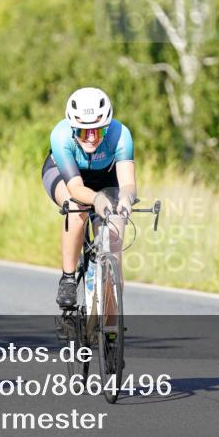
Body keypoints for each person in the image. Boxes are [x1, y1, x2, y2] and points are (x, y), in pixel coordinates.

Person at [42, 87, 136, 308]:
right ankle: (67, 278)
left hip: (104, 177)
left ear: (107, 127)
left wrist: (126, 200)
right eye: (84, 132)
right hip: (66, 176)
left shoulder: (121, 134)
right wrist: (96, 200)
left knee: (114, 236)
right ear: (73, 127)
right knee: (77, 210)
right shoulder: (61, 135)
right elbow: (75, 188)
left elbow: (128, 183)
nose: (92, 138)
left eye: (99, 131)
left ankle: (110, 326)